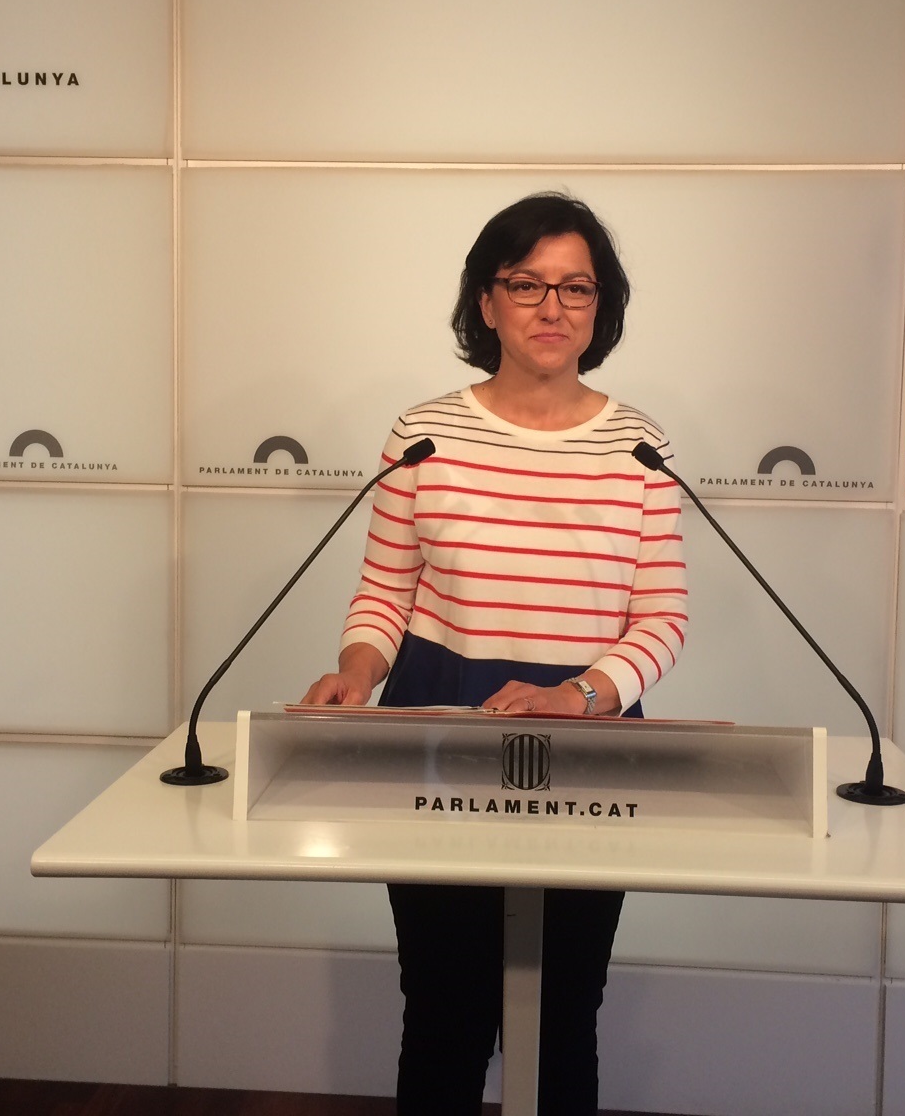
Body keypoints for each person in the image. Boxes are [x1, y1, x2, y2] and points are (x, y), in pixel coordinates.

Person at [301, 192, 687, 1116]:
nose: (553, 308)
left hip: (590, 742)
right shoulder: (423, 436)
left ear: (601, 307)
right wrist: (356, 670)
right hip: (439, 727)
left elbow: (662, 619)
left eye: (576, 288)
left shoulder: (640, 447)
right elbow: (385, 594)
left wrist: (579, 695)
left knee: (563, 1014)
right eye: (526, 284)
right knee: (444, 1009)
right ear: (486, 301)